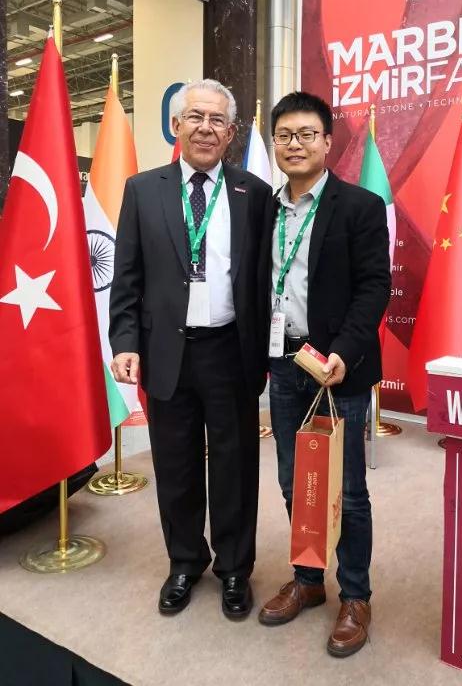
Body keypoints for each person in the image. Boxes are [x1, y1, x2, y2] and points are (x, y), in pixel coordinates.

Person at [109, 79, 272, 620]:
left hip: (231, 351)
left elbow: (263, 280)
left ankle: (234, 568)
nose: (206, 128)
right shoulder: (143, 190)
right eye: (196, 117)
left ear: (231, 132)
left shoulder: (254, 193)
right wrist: (125, 341)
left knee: (235, 466)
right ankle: (184, 561)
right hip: (167, 352)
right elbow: (127, 276)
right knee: (175, 465)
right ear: (176, 125)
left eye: (217, 120)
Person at [258, 92, 391, 656]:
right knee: (296, 481)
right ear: (274, 142)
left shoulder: (359, 206)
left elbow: (374, 287)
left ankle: (355, 595)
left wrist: (345, 351)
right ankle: (309, 580)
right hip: (283, 364)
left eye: (306, 134)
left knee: (348, 489)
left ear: (328, 142)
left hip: (338, 369)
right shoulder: (263, 209)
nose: (295, 144)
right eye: (285, 135)